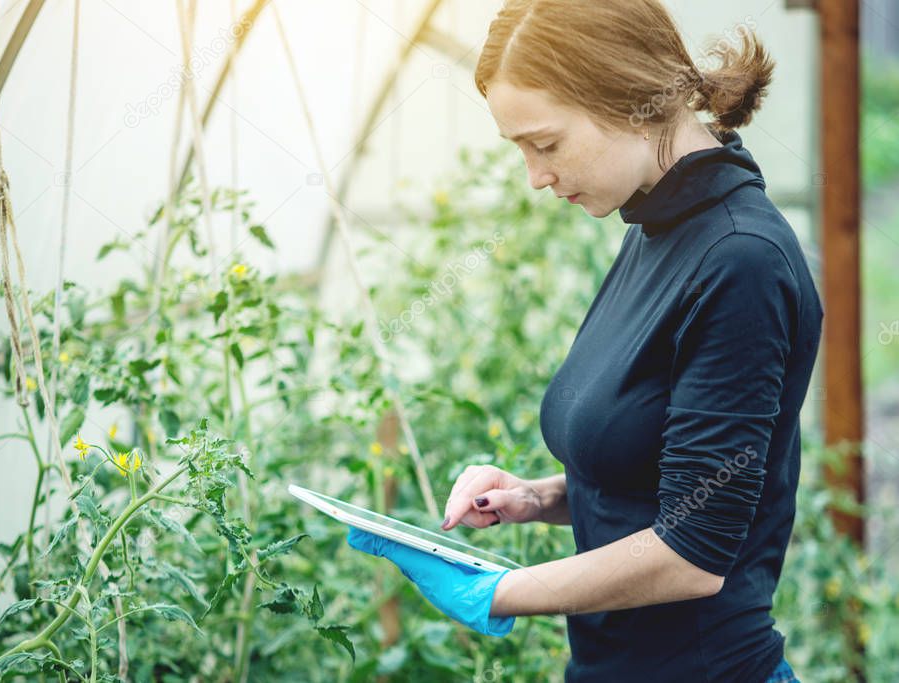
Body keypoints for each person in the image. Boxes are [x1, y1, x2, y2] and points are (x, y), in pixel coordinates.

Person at [347, 1, 823, 682]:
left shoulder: (738, 260)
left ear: (630, 99)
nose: (535, 177)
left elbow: (692, 553)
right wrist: (535, 498)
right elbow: (664, 474)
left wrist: (496, 591)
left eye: (545, 144)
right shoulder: (655, 228)